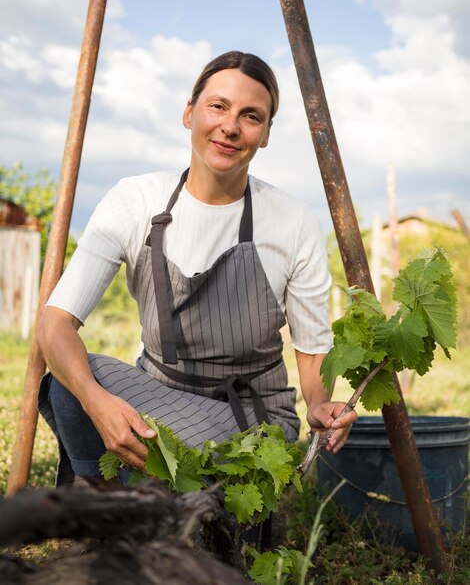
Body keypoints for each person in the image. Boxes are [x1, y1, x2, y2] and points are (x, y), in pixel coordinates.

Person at [38, 51, 358, 486]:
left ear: (264, 134)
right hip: (160, 392)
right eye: (218, 106)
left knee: (165, 452)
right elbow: (56, 323)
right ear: (189, 113)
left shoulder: (291, 220)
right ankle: (110, 511)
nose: (230, 126)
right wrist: (98, 402)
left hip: (252, 417)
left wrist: (320, 404)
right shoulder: (135, 200)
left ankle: (162, 519)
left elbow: (312, 346)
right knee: (70, 384)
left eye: (251, 116)